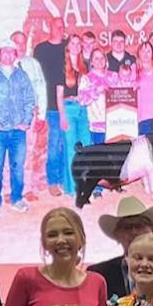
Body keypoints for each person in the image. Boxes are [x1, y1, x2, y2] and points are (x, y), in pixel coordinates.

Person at [0, 45, 37, 215]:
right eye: (4, 51)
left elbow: (30, 99)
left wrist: (26, 122)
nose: (7, 54)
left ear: (15, 55)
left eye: (11, 51)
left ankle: (17, 199)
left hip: (17, 131)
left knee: (17, 167)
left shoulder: (22, 76)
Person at [34, 19, 70, 197]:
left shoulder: (68, 47)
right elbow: (36, 77)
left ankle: (64, 179)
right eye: (57, 26)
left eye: (63, 26)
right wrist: (38, 103)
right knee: (55, 143)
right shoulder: (41, 49)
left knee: (66, 143)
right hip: (50, 104)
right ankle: (53, 181)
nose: (61, 29)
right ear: (50, 27)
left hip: (68, 103)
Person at [15, 31, 51, 200]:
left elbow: (41, 89)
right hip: (10, 118)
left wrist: (41, 115)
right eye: (17, 42)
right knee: (10, 154)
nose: (21, 46)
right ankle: (8, 189)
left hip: (31, 115)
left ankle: (27, 189)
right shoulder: (2, 65)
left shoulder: (33, 64)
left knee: (28, 153)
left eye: (23, 43)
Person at [60, 32, 92, 199]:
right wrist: (62, 116)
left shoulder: (83, 66)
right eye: (72, 43)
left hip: (82, 109)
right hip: (68, 108)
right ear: (67, 46)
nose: (76, 46)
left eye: (78, 43)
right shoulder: (61, 66)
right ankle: (73, 188)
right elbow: (58, 93)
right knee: (72, 148)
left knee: (85, 147)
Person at [79, 47, 113, 146]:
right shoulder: (87, 79)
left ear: (106, 60)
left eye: (102, 58)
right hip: (98, 127)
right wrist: (97, 91)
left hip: (114, 125)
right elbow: (81, 100)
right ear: (91, 62)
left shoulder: (113, 76)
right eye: (96, 58)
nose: (99, 61)